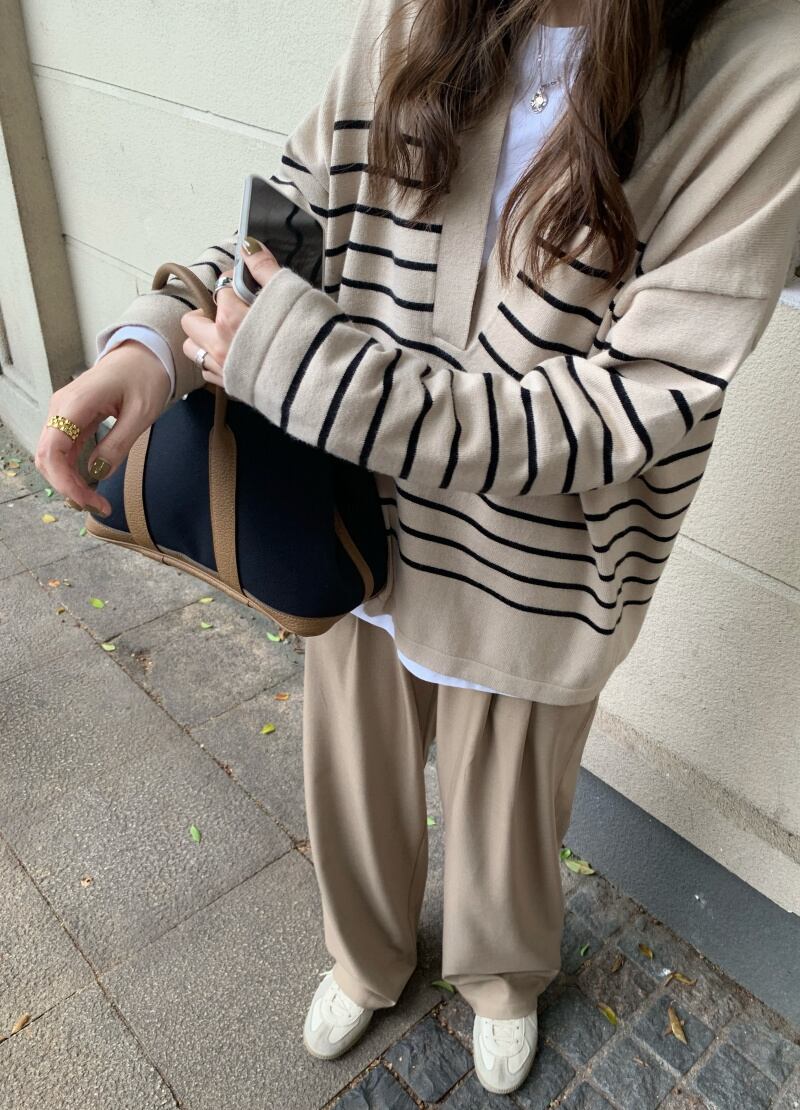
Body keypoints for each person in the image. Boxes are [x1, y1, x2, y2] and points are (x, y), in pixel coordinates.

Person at [35, 0, 800, 1096]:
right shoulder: (413, 12)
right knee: (351, 782)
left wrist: (306, 372)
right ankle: (366, 957)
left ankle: (502, 980)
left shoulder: (761, 69)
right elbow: (293, 218)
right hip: (355, 525)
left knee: (512, 811)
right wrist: (160, 339)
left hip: (536, 569)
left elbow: (630, 408)